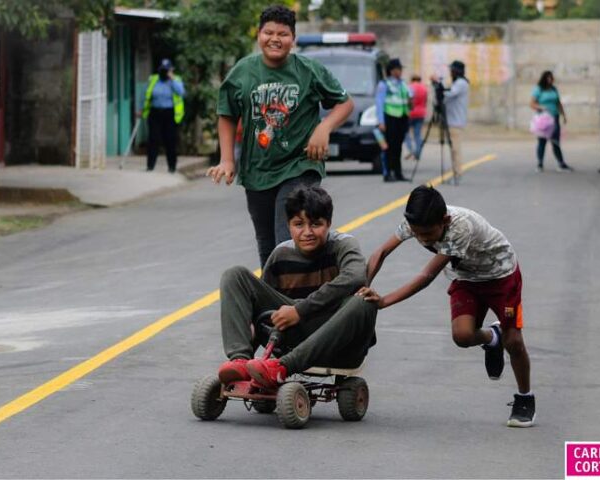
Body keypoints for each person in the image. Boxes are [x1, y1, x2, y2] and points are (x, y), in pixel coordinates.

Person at [356, 185, 535, 427]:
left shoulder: (460, 227)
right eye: (417, 234)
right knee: (462, 336)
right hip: (467, 279)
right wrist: (364, 288)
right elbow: (381, 252)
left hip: (501, 276)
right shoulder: (416, 221)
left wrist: (384, 301)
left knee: (513, 340)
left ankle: (525, 398)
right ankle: (493, 338)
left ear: (445, 220)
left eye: (428, 235)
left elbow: (426, 276)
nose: (422, 239)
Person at [208, 5, 354, 268]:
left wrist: (323, 128)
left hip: (301, 165)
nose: (275, 39)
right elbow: (227, 114)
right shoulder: (243, 72)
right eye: (269, 32)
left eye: (283, 34)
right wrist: (227, 160)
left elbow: (344, 103)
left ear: (293, 39)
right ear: (258, 35)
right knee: (268, 246)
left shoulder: (308, 70)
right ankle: (277, 300)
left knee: (288, 239)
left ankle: (297, 302)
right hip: (258, 170)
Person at [216, 185, 378, 388]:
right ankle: (239, 361)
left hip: (337, 343)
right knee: (234, 275)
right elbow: (263, 312)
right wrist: (252, 362)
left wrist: (300, 310)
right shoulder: (281, 254)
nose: (307, 232)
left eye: (316, 224)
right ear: (289, 225)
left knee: (364, 301)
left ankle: (282, 368)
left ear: (328, 224)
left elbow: (355, 277)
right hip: (294, 339)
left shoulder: (343, 245)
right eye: (299, 224)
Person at [142, 58, 186, 173]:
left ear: (171, 70)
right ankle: (150, 166)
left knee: (170, 140)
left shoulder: (175, 80)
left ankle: (172, 167)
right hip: (155, 112)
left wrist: (171, 78)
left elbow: (181, 92)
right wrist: (142, 110)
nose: (164, 72)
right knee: (153, 140)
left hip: (169, 113)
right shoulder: (153, 79)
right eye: (162, 69)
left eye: (167, 69)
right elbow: (147, 95)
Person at [376, 58, 412, 182]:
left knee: (398, 147)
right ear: (391, 71)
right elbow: (379, 103)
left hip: (401, 118)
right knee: (388, 147)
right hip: (389, 118)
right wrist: (381, 121)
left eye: (401, 69)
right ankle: (387, 173)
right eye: (398, 69)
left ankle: (398, 172)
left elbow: (409, 98)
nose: (400, 71)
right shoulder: (384, 84)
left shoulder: (402, 84)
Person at [531, 71, 573, 173]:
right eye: (548, 78)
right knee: (542, 141)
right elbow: (532, 103)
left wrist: (563, 115)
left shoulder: (554, 89)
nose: (550, 80)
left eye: (551, 78)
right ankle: (540, 163)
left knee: (556, 141)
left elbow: (558, 103)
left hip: (554, 117)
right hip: (544, 118)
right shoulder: (539, 89)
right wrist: (541, 107)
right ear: (544, 78)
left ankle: (561, 163)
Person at [442, 60, 470, 182]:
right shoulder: (457, 83)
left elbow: (450, 94)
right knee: (453, 150)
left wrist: (439, 86)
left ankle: (457, 174)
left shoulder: (461, 83)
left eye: (452, 70)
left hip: (456, 122)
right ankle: (455, 173)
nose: (450, 72)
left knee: (456, 150)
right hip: (452, 121)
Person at [404, 74, 427, 161]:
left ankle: (411, 149)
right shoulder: (424, 88)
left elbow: (407, 100)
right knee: (417, 134)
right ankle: (418, 152)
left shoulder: (409, 87)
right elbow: (425, 101)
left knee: (406, 133)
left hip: (410, 112)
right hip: (421, 113)